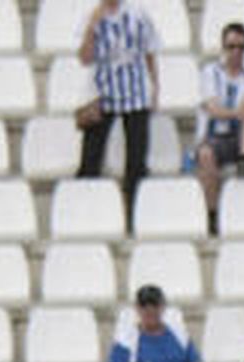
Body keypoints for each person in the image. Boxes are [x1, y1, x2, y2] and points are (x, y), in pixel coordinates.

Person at [76, 0, 160, 227]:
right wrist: (92, 26)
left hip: (136, 93)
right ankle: (85, 213)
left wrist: (155, 89)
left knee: (136, 162)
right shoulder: (91, 15)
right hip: (102, 95)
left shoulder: (138, 14)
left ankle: (134, 216)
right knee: (90, 158)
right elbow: (84, 58)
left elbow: (150, 53)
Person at [195, 21, 244, 229]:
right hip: (219, 137)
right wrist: (243, 114)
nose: (236, 52)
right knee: (205, 154)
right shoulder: (210, 73)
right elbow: (213, 108)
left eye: (241, 47)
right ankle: (212, 214)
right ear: (223, 48)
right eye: (231, 47)